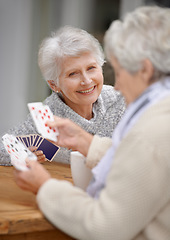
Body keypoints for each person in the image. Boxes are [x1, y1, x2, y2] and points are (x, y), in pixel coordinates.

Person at [14, 5, 170, 240]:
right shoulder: (159, 110)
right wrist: (88, 143)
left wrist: (45, 186)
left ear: (145, 70)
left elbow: (105, 228)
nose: (115, 85)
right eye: (73, 74)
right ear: (54, 84)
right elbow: (139, 160)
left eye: (118, 71)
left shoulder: (148, 130)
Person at [0, 25, 125, 166]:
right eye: (73, 74)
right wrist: (22, 154)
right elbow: (1, 148)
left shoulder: (121, 99)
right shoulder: (47, 114)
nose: (87, 80)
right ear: (54, 85)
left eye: (91, 68)